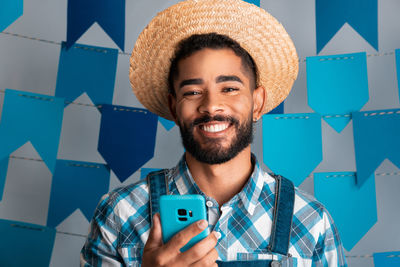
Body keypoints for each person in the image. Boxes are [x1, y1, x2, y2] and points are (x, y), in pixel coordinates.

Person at [81, 0, 347, 266]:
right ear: (174, 107)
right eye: (193, 92)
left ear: (258, 103)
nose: (210, 106)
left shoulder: (311, 222)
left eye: (230, 88)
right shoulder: (120, 214)